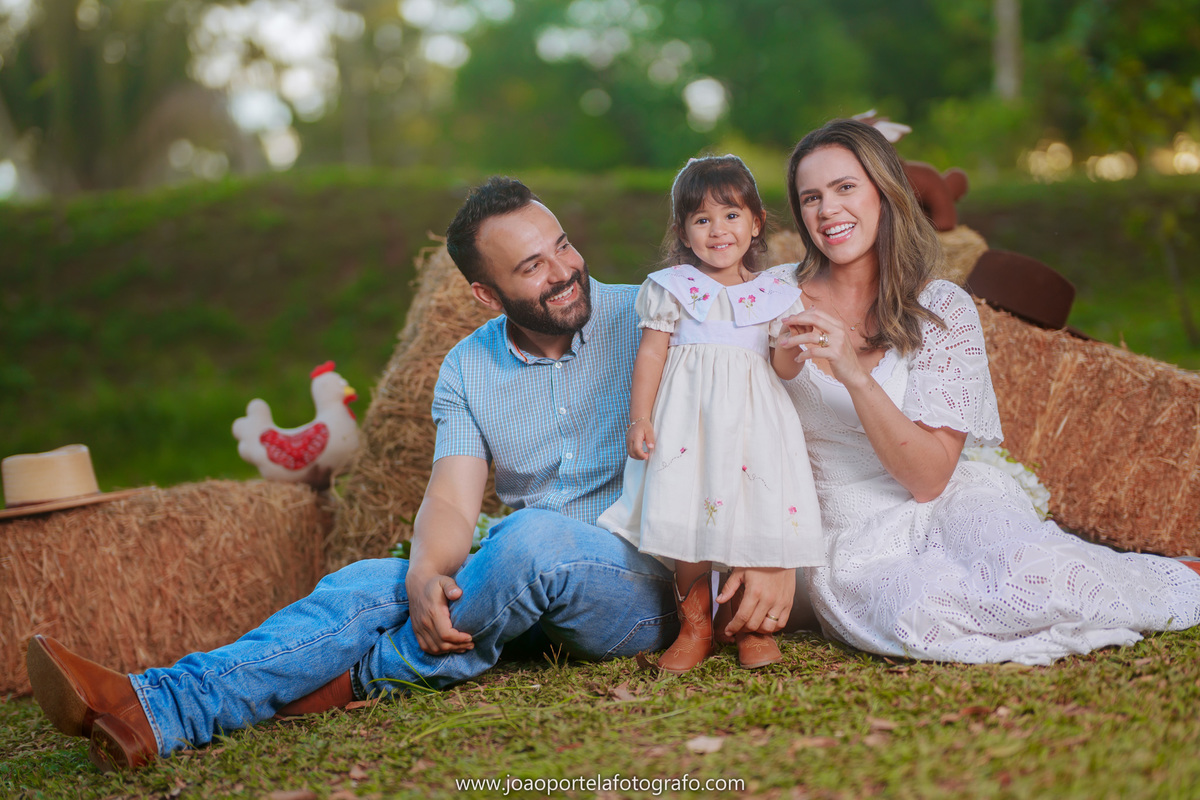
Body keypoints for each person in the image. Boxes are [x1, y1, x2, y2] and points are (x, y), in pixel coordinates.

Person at [25, 177, 698, 771]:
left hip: (643, 589)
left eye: (563, 245)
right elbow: (452, 501)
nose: (564, 270)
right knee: (368, 582)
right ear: (487, 295)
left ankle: (361, 680)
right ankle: (155, 708)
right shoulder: (467, 367)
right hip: (519, 591)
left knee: (530, 538)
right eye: (533, 266)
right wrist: (426, 575)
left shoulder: (654, 320)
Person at [774, 118, 1200, 665]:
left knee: (1044, 580)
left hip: (951, 503)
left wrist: (854, 375)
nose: (828, 209)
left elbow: (929, 480)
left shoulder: (942, 309)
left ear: (885, 193)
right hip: (850, 538)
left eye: (845, 187)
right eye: (811, 197)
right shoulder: (773, 298)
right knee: (923, 616)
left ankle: (1179, 575)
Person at [598, 155, 822, 672]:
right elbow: (650, 355)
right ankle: (694, 627)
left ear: (756, 223)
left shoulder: (775, 294)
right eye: (702, 219)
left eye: (731, 215)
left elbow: (782, 368)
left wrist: (796, 346)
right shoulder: (672, 287)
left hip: (754, 427)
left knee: (751, 513)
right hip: (689, 427)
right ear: (683, 231)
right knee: (687, 515)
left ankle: (747, 626)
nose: (718, 230)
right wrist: (640, 418)